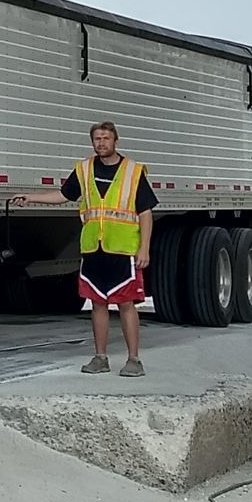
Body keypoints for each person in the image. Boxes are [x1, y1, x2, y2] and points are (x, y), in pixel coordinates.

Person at [60, 120, 158, 376]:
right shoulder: (83, 169)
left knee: (126, 304)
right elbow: (64, 195)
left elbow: (145, 213)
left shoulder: (132, 171)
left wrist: (144, 248)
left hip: (123, 250)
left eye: (105, 138)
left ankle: (134, 360)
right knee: (97, 304)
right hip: (94, 249)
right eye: (97, 139)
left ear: (115, 140)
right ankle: (100, 357)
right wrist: (31, 198)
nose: (101, 143)